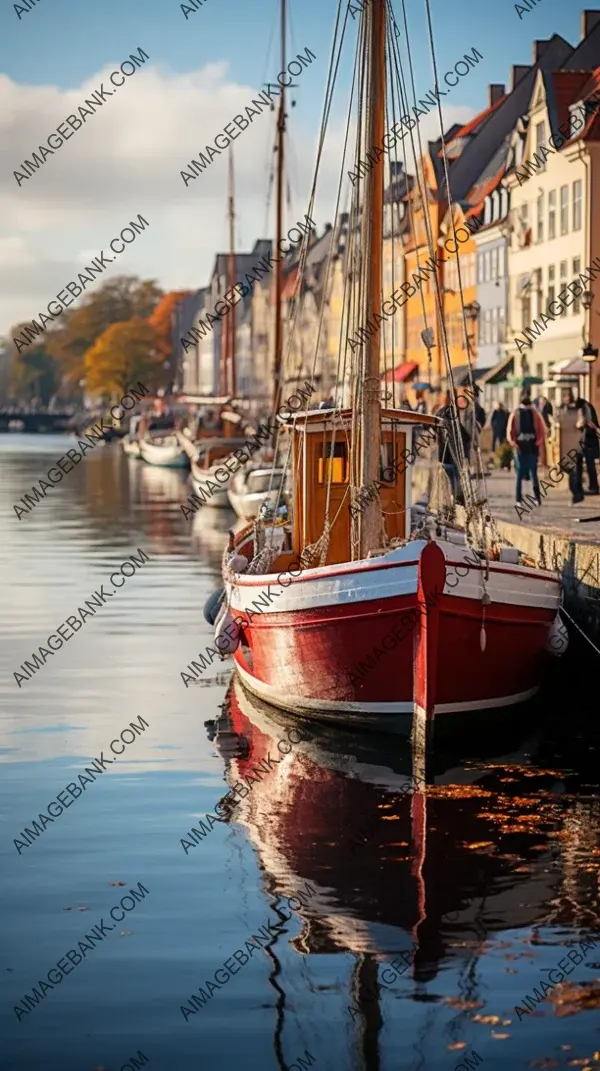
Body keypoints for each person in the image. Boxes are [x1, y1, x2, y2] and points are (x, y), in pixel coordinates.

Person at [507, 392, 546, 506]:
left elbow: (510, 430)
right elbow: (541, 431)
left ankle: (518, 500)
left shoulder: (515, 413)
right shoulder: (535, 413)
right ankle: (537, 499)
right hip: (532, 447)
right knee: (533, 473)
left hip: (520, 447)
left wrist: (514, 443)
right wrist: (538, 443)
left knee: (519, 474)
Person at [437, 392, 471, 499]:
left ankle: (453, 497)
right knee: (455, 476)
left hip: (446, 452)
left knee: (450, 476)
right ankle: (456, 497)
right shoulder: (452, 413)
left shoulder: (441, 412)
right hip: (452, 452)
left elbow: (432, 426)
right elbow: (463, 434)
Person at [570, 397, 600, 502]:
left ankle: (591, 487)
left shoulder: (584, 408)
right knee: (587, 463)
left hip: (587, 441)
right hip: (588, 440)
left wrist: (578, 425)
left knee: (587, 463)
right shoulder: (588, 406)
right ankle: (590, 486)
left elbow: (584, 422)